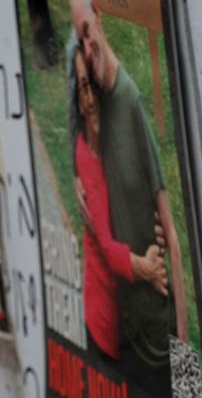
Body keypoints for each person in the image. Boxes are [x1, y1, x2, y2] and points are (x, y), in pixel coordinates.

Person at [69, 0, 187, 395]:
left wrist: (187, 374)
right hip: (122, 342)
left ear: (99, 16)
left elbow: (171, 237)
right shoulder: (91, 110)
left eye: (87, 30)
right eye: (78, 40)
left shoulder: (129, 102)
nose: (87, 44)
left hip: (155, 348)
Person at [71, 47, 168, 361]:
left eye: (93, 87)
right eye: (81, 90)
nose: (89, 100)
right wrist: (148, 268)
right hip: (112, 329)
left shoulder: (125, 120)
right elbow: (109, 249)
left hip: (152, 317)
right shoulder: (88, 155)